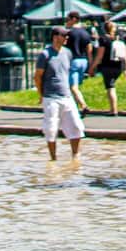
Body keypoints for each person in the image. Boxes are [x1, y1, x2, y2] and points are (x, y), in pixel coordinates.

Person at [36, 28, 86, 161]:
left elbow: (66, 73)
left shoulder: (67, 53)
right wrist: (41, 94)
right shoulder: (45, 55)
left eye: (67, 36)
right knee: (51, 129)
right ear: (55, 37)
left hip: (66, 96)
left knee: (76, 126)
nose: (66, 38)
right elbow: (38, 76)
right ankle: (53, 158)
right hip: (51, 98)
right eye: (64, 35)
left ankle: (76, 157)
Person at [91, 22, 126, 115]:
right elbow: (125, 55)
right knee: (112, 85)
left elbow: (100, 56)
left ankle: (113, 110)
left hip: (107, 65)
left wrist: (92, 67)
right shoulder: (119, 38)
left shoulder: (103, 39)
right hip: (118, 65)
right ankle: (113, 109)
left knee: (110, 87)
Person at [64, 12, 95, 112]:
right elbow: (89, 49)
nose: (66, 22)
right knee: (76, 86)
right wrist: (90, 65)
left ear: (73, 19)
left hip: (73, 61)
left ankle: (83, 106)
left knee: (73, 87)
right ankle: (75, 108)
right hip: (83, 61)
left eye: (67, 19)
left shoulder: (69, 33)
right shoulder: (85, 33)